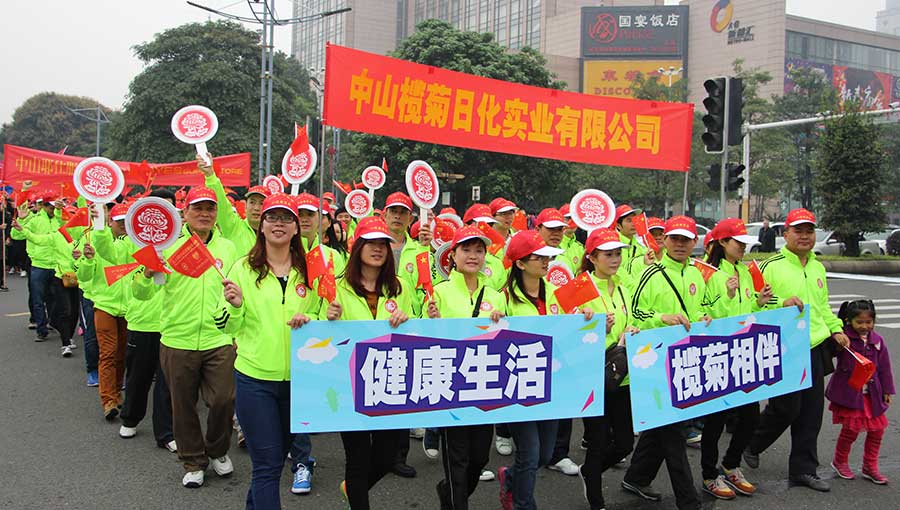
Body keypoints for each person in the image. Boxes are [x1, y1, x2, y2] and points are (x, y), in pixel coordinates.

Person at [221, 193, 322, 508]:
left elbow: (325, 312)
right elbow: (224, 325)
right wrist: (235, 306)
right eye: (272, 217)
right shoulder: (242, 269)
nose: (279, 224)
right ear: (261, 225)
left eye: (287, 218)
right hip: (255, 380)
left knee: (276, 460)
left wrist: (312, 318)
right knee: (266, 465)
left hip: (299, 380)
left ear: (296, 227)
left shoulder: (310, 269)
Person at [134, 186, 238, 488]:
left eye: (210, 208)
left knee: (223, 399)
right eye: (198, 208)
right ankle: (193, 461)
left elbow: (237, 289)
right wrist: (147, 271)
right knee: (183, 405)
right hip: (177, 339)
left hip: (219, 338)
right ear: (184, 212)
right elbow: (141, 293)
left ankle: (217, 450)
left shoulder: (228, 248)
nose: (204, 214)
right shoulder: (166, 247)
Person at [744, 208, 849, 492]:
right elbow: (753, 302)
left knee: (811, 413)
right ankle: (752, 442)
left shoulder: (817, 267)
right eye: (798, 231)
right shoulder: (770, 266)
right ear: (785, 233)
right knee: (786, 407)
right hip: (782, 346)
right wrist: (782, 303)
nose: (804, 236)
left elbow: (822, 306)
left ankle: (804, 470)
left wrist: (836, 329)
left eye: (809, 231)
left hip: (813, 345)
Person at [321, 216, 413, 510]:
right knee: (357, 459)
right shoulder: (336, 287)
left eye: (383, 244)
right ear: (357, 247)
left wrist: (407, 320)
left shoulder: (401, 288)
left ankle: (351, 488)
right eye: (371, 243)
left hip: (390, 381)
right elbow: (318, 333)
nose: (377, 249)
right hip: (350, 386)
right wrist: (328, 318)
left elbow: (415, 329)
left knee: (386, 458)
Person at [497, 230, 594, 510]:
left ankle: (510, 478)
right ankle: (523, 504)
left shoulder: (556, 292)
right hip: (518, 386)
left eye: (547, 257)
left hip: (552, 385)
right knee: (530, 453)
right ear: (520, 263)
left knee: (544, 454)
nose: (545, 262)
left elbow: (572, 327)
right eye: (538, 257)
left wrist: (585, 318)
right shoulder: (504, 298)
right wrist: (493, 319)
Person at [623, 215, 710, 510]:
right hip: (655, 362)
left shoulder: (697, 274)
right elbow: (635, 315)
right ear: (665, 241)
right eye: (674, 238)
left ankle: (636, 477)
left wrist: (705, 318)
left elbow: (703, 308)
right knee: (673, 432)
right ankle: (689, 500)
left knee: (662, 426)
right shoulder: (651, 274)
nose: (680, 244)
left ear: (694, 242)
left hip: (687, 360)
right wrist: (663, 318)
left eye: (686, 239)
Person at [427, 225, 506, 510]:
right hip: (450, 386)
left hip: (484, 385)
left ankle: (447, 492)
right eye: (466, 249)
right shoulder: (438, 293)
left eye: (479, 250)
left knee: (479, 458)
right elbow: (423, 339)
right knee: (457, 461)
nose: (473, 255)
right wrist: (432, 321)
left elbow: (506, 339)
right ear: (453, 255)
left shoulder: (495, 296)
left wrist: (502, 321)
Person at [699, 218, 773, 499]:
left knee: (750, 417)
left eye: (745, 243)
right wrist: (728, 295)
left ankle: (731, 464)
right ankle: (709, 474)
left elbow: (747, 309)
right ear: (722, 242)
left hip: (744, 354)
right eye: (738, 242)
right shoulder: (708, 273)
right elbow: (706, 314)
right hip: (718, 353)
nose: (743, 247)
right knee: (715, 421)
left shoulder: (745, 270)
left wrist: (759, 302)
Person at [578, 228, 639, 510]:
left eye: (617, 254)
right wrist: (594, 328)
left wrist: (633, 329)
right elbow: (567, 332)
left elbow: (632, 320)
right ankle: (596, 499)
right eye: (608, 254)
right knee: (598, 440)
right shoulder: (579, 288)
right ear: (592, 258)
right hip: (592, 375)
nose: (615, 259)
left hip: (622, 375)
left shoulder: (623, 287)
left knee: (625, 442)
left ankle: (589, 472)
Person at [113, 191, 176, 453]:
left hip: (171, 324)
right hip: (142, 322)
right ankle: (130, 418)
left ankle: (166, 432)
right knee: (138, 377)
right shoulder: (132, 242)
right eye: (157, 209)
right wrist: (100, 226)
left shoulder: (180, 243)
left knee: (166, 384)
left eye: (168, 210)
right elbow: (109, 253)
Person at [827, 299, 894, 484]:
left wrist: (887, 390)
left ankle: (870, 466)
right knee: (851, 430)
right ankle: (840, 461)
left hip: (872, 394)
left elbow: (884, 368)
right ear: (849, 321)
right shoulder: (844, 339)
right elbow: (831, 351)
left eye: (869, 322)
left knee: (877, 431)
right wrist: (837, 338)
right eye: (859, 322)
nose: (864, 326)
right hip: (851, 393)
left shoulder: (877, 341)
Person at [74, 203, 132, 419]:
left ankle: (117, 393)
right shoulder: (96, 241)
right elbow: (84, 276)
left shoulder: (135, 244)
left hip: (129, 309)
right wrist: (88, 260)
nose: (123, 226)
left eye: (127, 222)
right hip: (105, 306)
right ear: (110, 222)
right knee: (108, 353)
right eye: (119, 222)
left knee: (121, 354)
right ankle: (108, 400)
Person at [534, 208, 579, 477]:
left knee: (563, 394)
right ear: (537, 228)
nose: (556, 233)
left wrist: (581, 313)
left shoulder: (568, 255)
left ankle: (558, 453)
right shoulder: (524, 254)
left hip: (561, 336)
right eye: (550, 228)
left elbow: (574, 294)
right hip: (534, 340)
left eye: (560, 228)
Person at [614, 204, 645, 280]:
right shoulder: (612, 247)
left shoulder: (642, 249)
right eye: (629, 221)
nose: (633, 224)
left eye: (634, 220)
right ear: (618, 226)